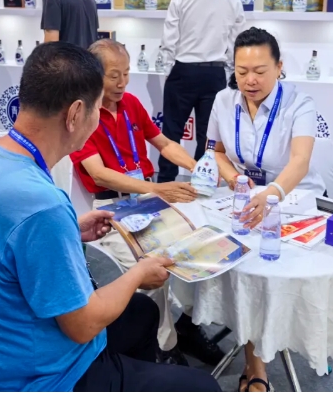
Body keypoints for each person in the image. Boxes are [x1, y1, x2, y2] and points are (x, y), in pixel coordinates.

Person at [0, 42, 220, 393]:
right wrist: (139, 273)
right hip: (45, 376)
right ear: (75, 113)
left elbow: (7, 242)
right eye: (95, 109)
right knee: (203, 386)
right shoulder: (42, 205)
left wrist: (70, 230)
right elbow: (83, 326)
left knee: (142, 313)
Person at [70, 39, 224, 367]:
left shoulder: (131, 104)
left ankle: (188, 324)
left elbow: (164, 143)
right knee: (151, 272)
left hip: (145, 199)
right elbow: (100, 173)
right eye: (114, 75)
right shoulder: (83, 114)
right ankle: (161, 347)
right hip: (109, 212)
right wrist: (156, 189)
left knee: (197, 244)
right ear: (94, 74)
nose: (122, 82)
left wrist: (199, 168)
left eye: (126, 74)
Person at [207, 27, 324, 392]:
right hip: (245, 199)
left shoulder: (299, 103)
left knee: (278, 268)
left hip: (292, 199)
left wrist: (271, 192)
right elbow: (216, 152)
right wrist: (234, 180)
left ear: (279, 67)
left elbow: (300, 161)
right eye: (242, 71)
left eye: (260, 71)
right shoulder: (223, 101)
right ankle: (255, 365)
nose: (250, 80)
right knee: (246, 269)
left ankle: (282, 338)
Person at [157, 0, 245, 183]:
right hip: (215, 74)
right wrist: (229, 71)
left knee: (171, 132)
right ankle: (201, 184)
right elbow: (236, 43)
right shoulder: (233, 0)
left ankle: (165, 183)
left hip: (183, 71)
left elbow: (169, 39)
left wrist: (168, 71)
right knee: (209, 137)